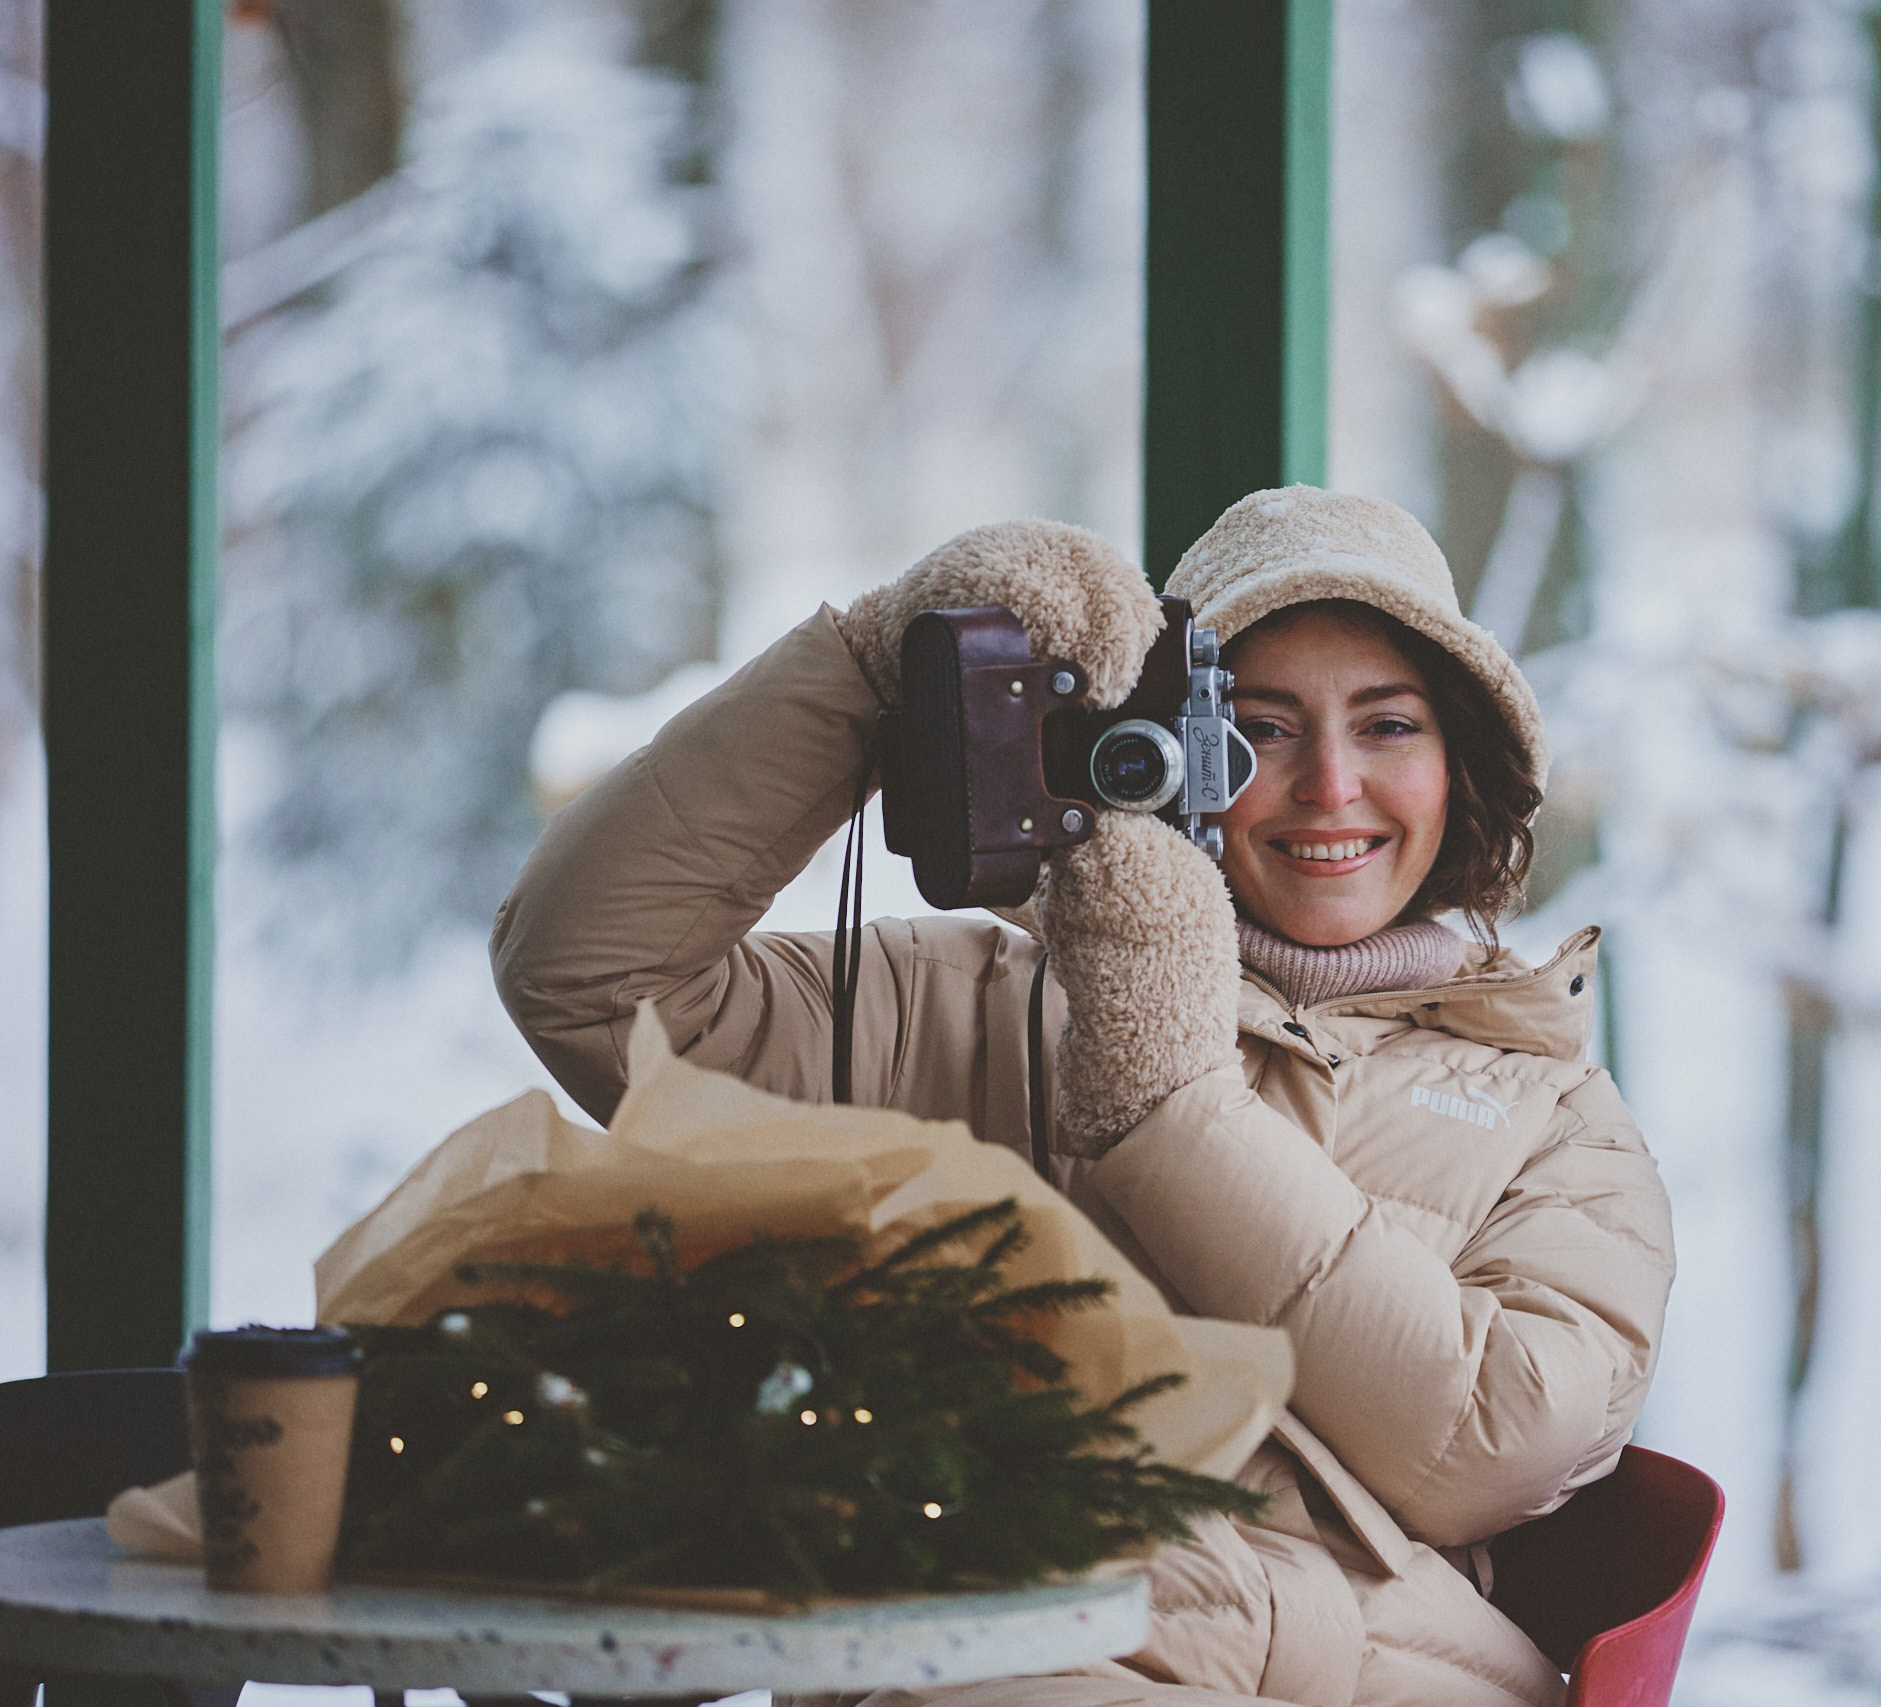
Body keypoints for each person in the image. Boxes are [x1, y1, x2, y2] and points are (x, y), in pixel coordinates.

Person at [491, 487, 1676, 1707]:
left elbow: (1484, 1446)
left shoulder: (1554, 1115)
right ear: (1154, 751)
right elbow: (590, 979)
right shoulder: (973, 1005)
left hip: (1342, 1672)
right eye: (1256, 731)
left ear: (1462, 765)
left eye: (1387, 728)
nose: (1329, 785)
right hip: (962, 1636)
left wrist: (1170, 1108)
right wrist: (864, 667)